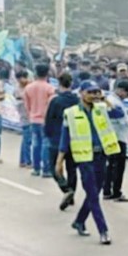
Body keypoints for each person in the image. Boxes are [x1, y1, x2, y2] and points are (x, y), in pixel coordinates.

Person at [55, 81, 123, 245]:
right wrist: (60, 161)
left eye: (96, 92)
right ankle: (103, 230)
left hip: (101, 156)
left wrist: (105, 99)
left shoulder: (101, 108)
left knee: (95, 192)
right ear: (81, 93)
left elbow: (118, 113)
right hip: (84, 159)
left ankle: (79, 221)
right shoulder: (70, 113)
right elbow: (65, 139)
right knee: (92, 194)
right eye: (90, 92)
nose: (93, 95)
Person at [45, 74, 81, 210]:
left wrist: (47, 134)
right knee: (72, 169)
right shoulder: (77, 101)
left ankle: (66, 189)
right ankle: (71, 194)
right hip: (75, 139)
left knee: (54, 167)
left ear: (59, 83)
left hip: (56, 138)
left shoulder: (55, 101)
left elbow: (49, 119)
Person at [102, 81, 128, 202]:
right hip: (118, 137)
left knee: (110, 165)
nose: (127, 96)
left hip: (111, 136)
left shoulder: (110, 100)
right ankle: (116, 191)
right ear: (121, 90)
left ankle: (107, 190)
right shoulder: (114, 102)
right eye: (127, 93)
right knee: (118, 166)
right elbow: (123, 121)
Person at [23, 64, 56, 177]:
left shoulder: (28, 87)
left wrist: (30, 115)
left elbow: (26, 105)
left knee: (36, 144)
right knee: (46, 144)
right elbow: (52, 105)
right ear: (48, 74)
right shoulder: (50, 88)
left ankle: (36, 168)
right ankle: (46, 169)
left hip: (33, 118)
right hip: (45, 120)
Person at [14, 70, 32, 167]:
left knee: (26, 139)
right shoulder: (18, 90)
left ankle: (22, 160)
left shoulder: (29, 86)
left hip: (29, 116)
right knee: (27, 139)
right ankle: (27, 160)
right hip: (25, 116)